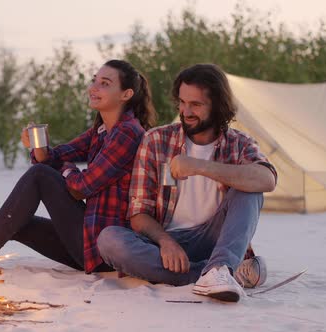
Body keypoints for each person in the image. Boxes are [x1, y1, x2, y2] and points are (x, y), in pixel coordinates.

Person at [96, 63, 277, 302]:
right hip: (166, 245)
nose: (186, 111)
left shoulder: (239, 143)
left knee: (251, 189)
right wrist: (166, 242)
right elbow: (138, 214)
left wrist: (199, 166)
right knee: (109, 240)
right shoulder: (156, 140)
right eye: (182, 102)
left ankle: (220, 268)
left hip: (216, 239)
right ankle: (215, 274)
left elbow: (267, 179)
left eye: (196, 104)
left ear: (217, 105)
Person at [0, 59, 157, 274]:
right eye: (94, 81)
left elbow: (82, 186)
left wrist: (63, 168)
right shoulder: (101, 131)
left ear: (126, 94)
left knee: (39, 175)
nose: (94, 88)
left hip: (104, 250)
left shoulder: (127, 133)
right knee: (17, 222)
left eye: (105, 83)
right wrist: (39, 146)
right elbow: (54, 157)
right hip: (86, 240)